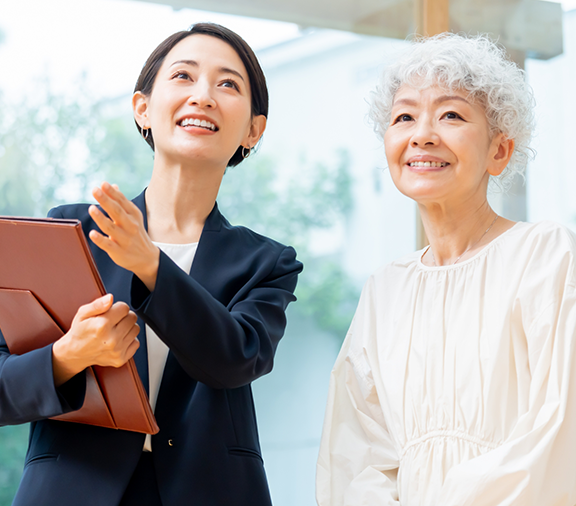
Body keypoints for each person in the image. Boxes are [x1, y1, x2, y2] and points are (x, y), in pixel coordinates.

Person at [0, 23, 302, 506]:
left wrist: (151, 265)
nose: (203, 95)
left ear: (253, 130)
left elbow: (235, 359)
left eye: (227, 84)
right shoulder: (72, 232)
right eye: (183, 76)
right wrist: (67, 356)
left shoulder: (267, 262)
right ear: (143, 108)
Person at [316, 33, 576, 506]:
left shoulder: (546, 255)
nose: (422, 134)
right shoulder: (385, 290)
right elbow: (355, 456)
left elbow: (559, 431)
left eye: (451, 114)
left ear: (499, 150)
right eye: (404, 117)